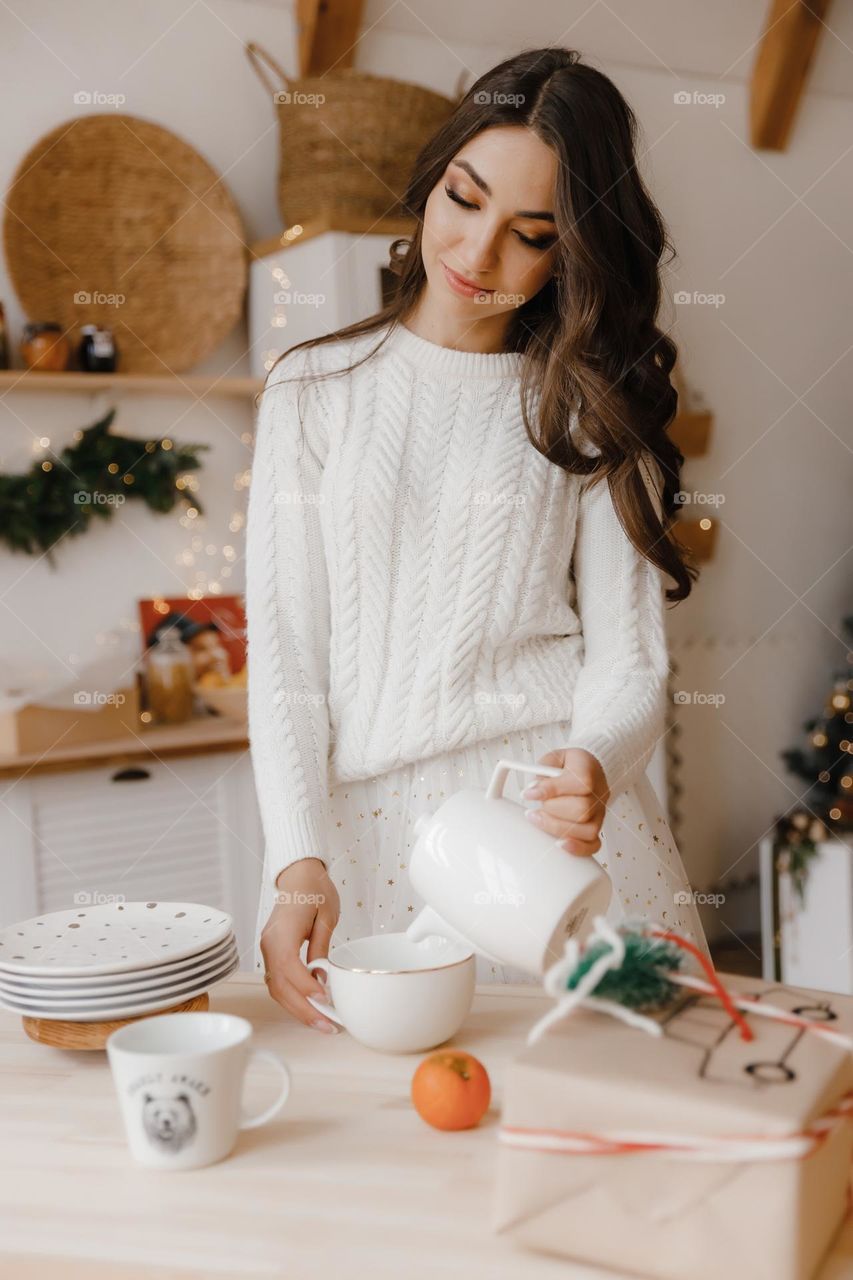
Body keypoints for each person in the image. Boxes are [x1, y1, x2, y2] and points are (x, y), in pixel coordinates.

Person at [245, 46, 711, 1034]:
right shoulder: (313, 390)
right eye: (463, 197)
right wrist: (295, 856)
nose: (476, 252)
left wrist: (595, 757)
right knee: (392, 1154)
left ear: (569, 253)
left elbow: (628, 661)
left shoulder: (583, 406)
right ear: (435, 172)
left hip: (545, 841)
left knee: (610, 1123)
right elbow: (284, 648)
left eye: (529, 233)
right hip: (363, 843)